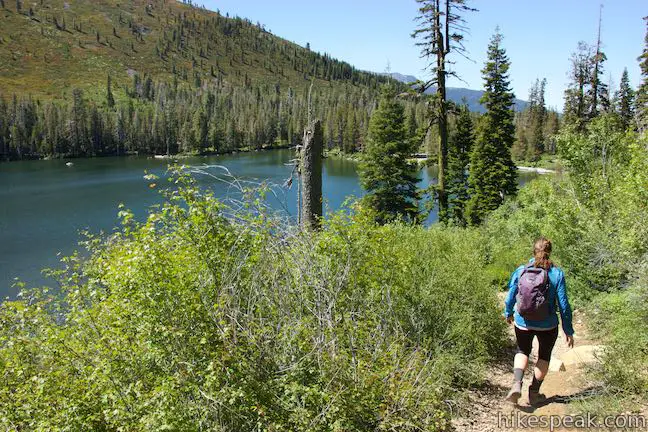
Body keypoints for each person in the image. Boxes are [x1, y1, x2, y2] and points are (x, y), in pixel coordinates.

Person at [503, 237, 575, 405]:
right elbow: (564, 305)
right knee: (543, 357)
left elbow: (511, 295)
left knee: (522, 351)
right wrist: (568, 330)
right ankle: (534, 394)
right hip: (548, 325)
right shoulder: (556, 273)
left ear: (533, 251)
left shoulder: (521, 270)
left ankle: (516, 384)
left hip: (523, 322)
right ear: (550, 252)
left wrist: (508, 312)